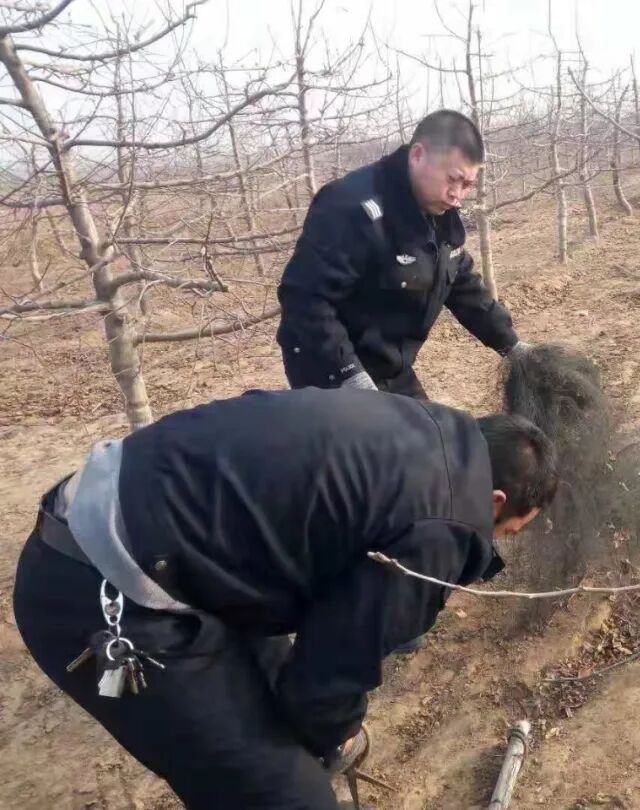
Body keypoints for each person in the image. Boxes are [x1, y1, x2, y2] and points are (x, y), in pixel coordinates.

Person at [13, 387, 557, 810]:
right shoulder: (444, 527)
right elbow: (330, 673)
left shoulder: (428, 427)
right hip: (103, 589)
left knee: (282, 715)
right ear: (495, 500)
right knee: (288, 798)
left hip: (148, 530)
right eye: (504, 531)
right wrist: (337, 728)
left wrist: (323, 727)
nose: (492, 543)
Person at [277, 109, 529, 400]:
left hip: (390, 368)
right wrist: (351, 378)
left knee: (432, 429)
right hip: (330, 371)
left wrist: (513, 347)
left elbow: (460, 282)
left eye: (467, 185)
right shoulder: (350, 208)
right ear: (418, 155)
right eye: (453, 179)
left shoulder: (438, 212)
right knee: (391, 430)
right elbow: (306, 301)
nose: (457, 195)